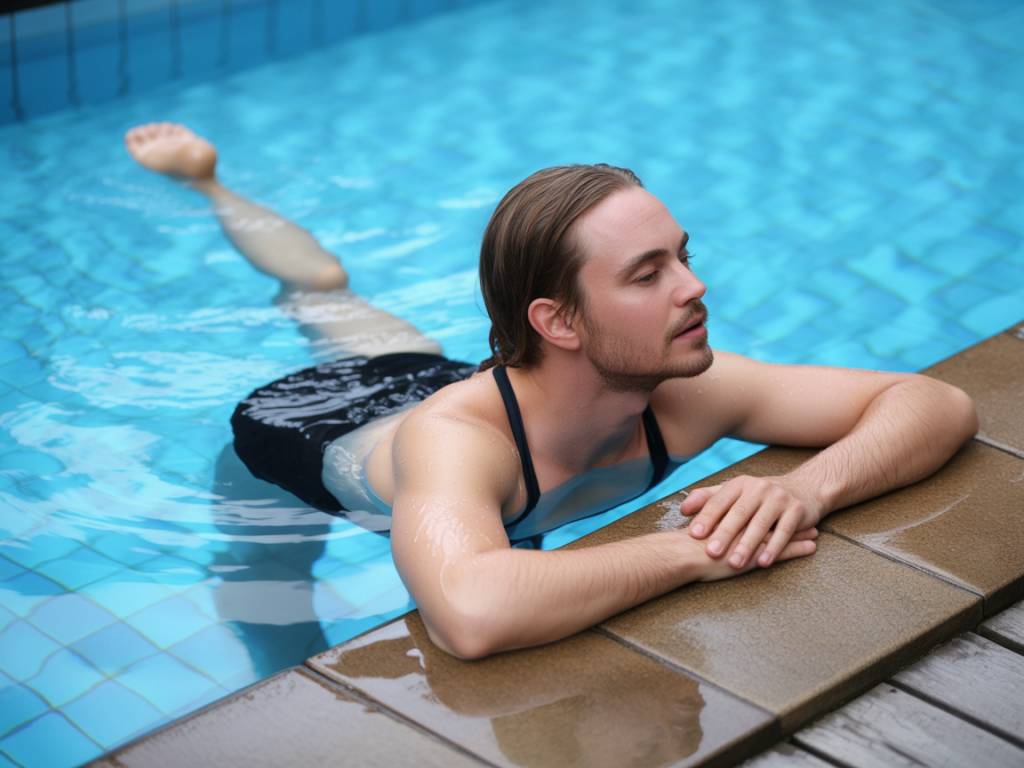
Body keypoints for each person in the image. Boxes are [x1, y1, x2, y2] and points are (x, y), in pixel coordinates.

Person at [126, 122, 978, 660]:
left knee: (329, 289)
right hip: (296, 439)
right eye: (649, 274)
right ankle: (203, 179)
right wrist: (699, 551)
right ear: (558, 321)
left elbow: (934, 403)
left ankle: (211, 182)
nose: (693, 289)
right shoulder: (456, 446)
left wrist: (802, 490)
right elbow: (470, 611)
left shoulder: (688, 388)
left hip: (426, 379)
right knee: (275, 617)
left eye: (684, 256)